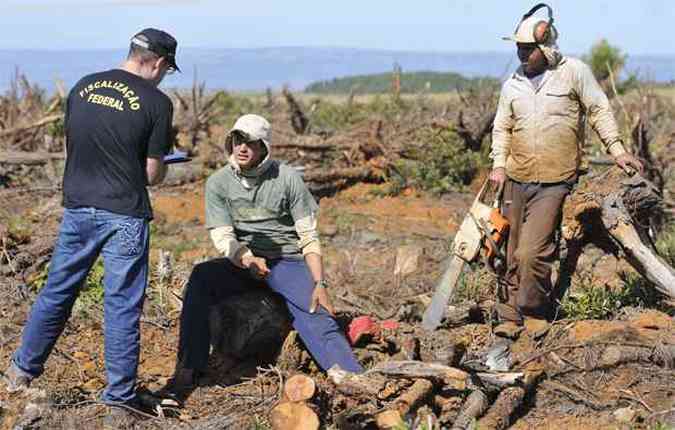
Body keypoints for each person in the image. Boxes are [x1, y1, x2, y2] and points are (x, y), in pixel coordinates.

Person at [4, 28, 179, 420]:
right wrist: (165, 160)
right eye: (167, 70)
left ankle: (19, 373)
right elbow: (151, 174)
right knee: (121, 305)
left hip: (79, 206)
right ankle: (118, 400)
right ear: (160, 63)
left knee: (57, 291)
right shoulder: (156, 102)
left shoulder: (83, 87)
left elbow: (74, 147)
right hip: (125, 212)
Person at [168, 113, 363, 394]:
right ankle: (188, 368)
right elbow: (223, 236)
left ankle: (354, 379)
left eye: (250, 142)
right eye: (237, 140)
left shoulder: (287, 178)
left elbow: (308, 236)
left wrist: (319, 283)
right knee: (201, 277)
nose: (242, 148)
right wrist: (245, 258)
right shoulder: (219, 183)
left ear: (264, 147)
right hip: (244, 260)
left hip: (287, 260)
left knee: (315, 314)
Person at [489, 5, 642, 329]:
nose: (521, 54)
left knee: (533, 252)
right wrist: (499, 166)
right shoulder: (512, 85)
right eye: (519, 47)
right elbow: (502, 128)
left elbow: (599, 110)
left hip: (554, 181)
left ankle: (533, 312)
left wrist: (617, 150)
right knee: (509, 251)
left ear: (546, 48)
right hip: (516, 178)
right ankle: (508, 318)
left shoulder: (574, 72)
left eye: (528, 49)